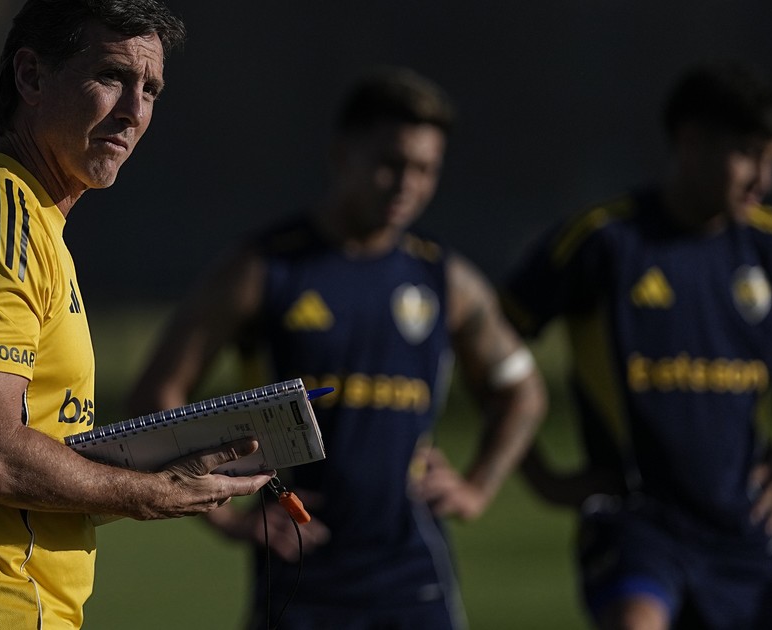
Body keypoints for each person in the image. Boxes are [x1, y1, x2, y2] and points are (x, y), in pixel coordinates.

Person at [0, 2, 274, 629]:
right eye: (111, 75)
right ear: (31, 76)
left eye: (151, 89)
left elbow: (25, 454)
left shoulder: (29, 220)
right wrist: (151, 493)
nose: (134, 111)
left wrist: (160, 470)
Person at [128, 67, 547, 630]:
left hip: (412, 570)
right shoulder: (265, 269)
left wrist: (476, 487)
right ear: (342, 154)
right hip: (299, 566)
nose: (406, 184)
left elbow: (523, 392)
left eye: (425, 169)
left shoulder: (444, 279)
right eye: (390, 163)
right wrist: (223, 515)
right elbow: (157, 395)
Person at [503, 60, 772, 630]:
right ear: (690, 142)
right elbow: (489, 340)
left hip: (738, 529)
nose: (764, 180)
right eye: (749, 155)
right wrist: (539, 475)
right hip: (635, 520)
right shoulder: (606, 241)